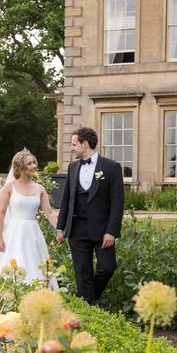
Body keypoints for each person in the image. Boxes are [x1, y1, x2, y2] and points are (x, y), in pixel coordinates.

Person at [56, 127, 124, 305]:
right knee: (82, 272)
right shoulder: (72, 168)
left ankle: (89, 296)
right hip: (77, 229)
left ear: (84, 144)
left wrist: (111, 231)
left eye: (73, 144)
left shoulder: (111, 167)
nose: (71, 148)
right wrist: (60, 228)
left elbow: (117, 204)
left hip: (102, 231)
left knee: (107, 268)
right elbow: (66, 200)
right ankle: (89, 307)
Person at [0, 149, 58, 288]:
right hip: (12, 233)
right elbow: (1, 212)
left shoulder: (40, 189)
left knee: (33, 263)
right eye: (29, 163)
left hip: (33, 233)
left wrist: (60, 229)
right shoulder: (8, 188)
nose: (34, 166)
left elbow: (49, 212)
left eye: (34, 163)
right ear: (20, 167)